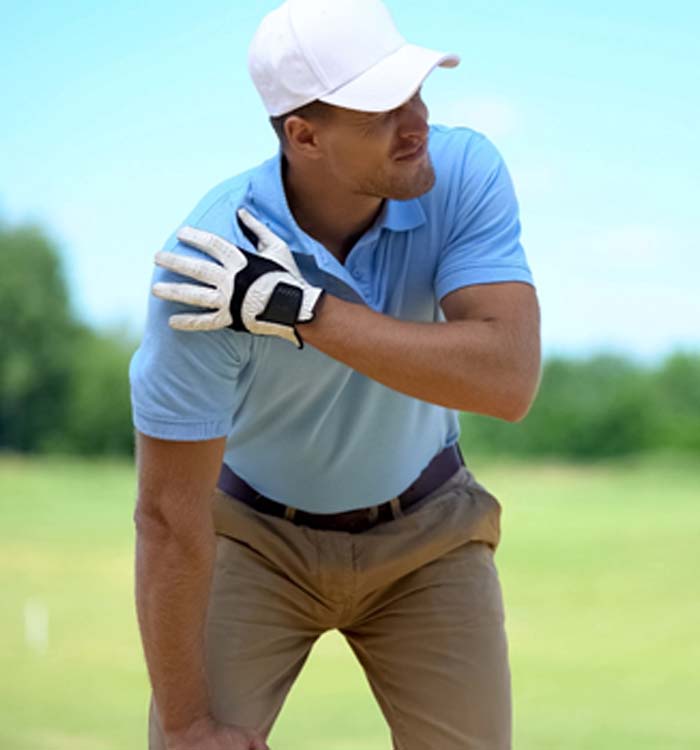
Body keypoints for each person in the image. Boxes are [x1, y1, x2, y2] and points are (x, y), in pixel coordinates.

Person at [129, 0, 541, 748]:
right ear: (305, 135)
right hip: (253, 540)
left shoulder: (463, 170)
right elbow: (166, 514)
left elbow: (507, 379)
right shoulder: (206, 265)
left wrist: (301, 311)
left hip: (430, 534)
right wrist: (187, 725)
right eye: (383, 109)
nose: (416, 122)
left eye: (416, 92)